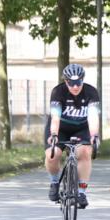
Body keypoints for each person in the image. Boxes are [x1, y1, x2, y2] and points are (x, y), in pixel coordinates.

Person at [45, 63, 101, 208]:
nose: (75, 87)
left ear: (83, 80)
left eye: (78, 82)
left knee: (84, 152)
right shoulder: (58, 92)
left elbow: (93, 117)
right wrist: (54, 134)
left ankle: (81, 193)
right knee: (52, 154)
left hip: (82, 128)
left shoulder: (91, 92)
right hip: (60, 128)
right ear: (66, 81)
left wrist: (94, 135)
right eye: (71, 83)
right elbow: (55, 117)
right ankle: (54, 182)